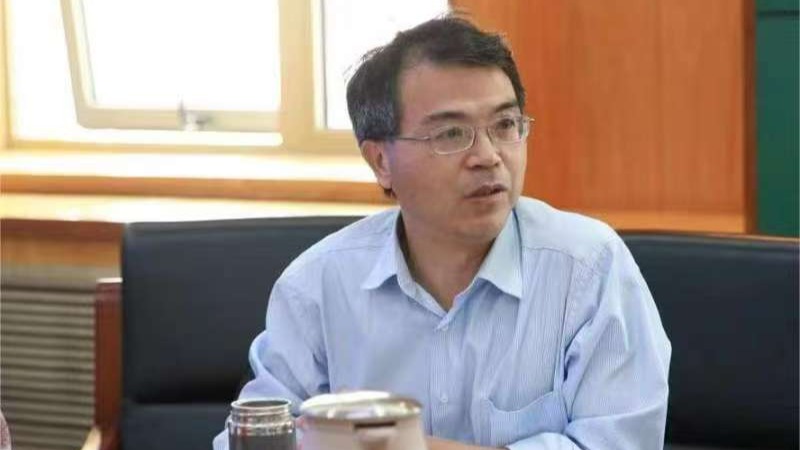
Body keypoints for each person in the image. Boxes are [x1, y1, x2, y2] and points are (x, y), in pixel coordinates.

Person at [214, 15, 670, 450]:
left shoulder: (589, 269)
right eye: (451, 134)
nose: (488, 156)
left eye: (505, 125)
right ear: (381, 161)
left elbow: (620, 443)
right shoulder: (316, 285)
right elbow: (254, 435)